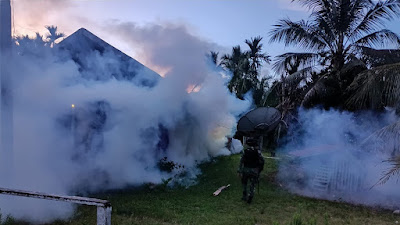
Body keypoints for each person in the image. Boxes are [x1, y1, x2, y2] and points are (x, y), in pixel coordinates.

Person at [237, 137, 265, 203]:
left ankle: (244, 196)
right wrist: (260, 169)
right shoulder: (258, 152)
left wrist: (239, 170)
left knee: (244, 183)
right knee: (252, 184)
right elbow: (262, 160)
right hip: (254, 170)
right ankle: (250, 196)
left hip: (246, 170)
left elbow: (241, 161)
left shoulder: (245, 151)